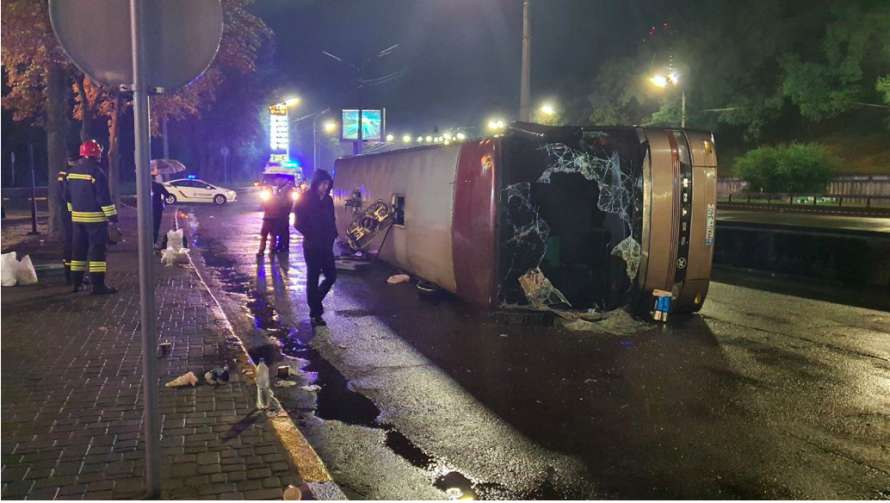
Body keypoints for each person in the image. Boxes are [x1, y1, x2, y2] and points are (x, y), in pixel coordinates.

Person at [65, 139, 118, 294]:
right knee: (97, 252)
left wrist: (73, 212)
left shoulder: (71, 172)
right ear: (96, 154)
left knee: (78, 252)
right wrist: (112, 217)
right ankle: (98, 286)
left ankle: (76, 283)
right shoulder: (96, 172)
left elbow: (66, 196)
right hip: (95, 220)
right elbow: (103, 198)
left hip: (77, 220)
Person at [294, 169, 337, 326]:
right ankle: (316, 313)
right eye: (322, 184)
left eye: (327, 184)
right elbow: (298, 223)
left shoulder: (328, 200)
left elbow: (332, 219)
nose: (325, 187)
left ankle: (315, 301)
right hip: (312, 246)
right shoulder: (305, 198)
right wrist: (311, 234)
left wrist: (333, 234)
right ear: (316, 183)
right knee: (312, 278)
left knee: (331, 276)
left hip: (326, 245)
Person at [257, 176, 292, 256]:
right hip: (269, 217)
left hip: (276, 217)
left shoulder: (284, 190)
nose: (277, 181)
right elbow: (264, 205)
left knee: (273, 235)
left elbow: (284, 204)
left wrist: (278, 197)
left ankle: (272, 250)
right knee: (267, 235)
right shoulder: (272, 191)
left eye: (279, 179)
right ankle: (264, 250)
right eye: (276, 180)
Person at [57, 158, 76, 284]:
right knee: (73, 243)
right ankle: (71, 276)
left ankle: (68, 273)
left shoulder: (62, 174)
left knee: (68, 243)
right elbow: (68, 196)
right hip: (71, 214)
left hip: (65, 213)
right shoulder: (70, 174)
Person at [151, 176, 172, 247]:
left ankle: (145, 241)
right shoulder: (158, 186)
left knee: (146, 226)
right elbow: (168, 195)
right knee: (155, 226)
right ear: (155, 179)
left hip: (146, 209)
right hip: (157, 208)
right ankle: (153, 242)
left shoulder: (143, 186)